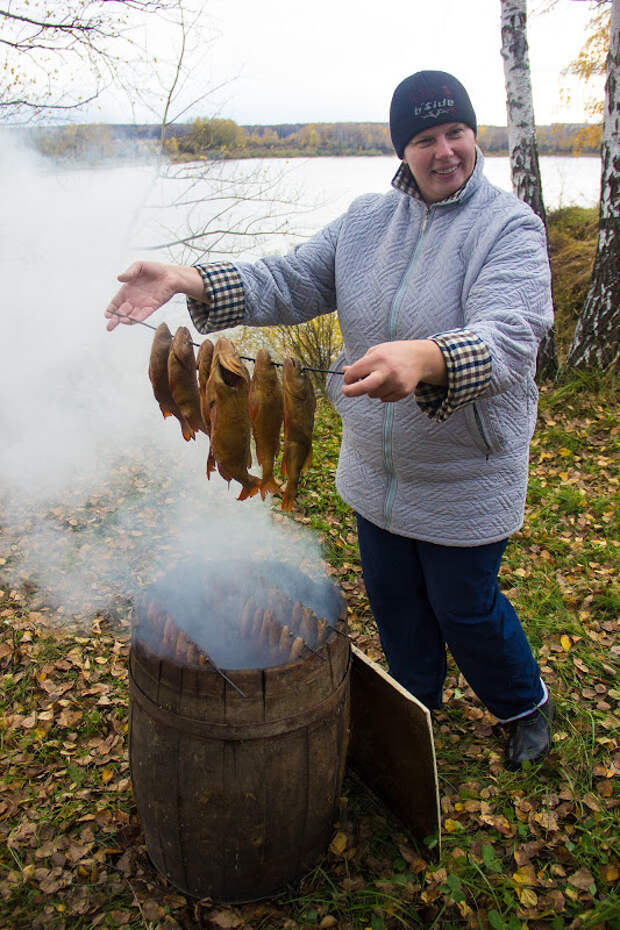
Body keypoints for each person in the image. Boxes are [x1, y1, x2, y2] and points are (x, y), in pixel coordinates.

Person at [106, 70, 554, 770]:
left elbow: (512, 334)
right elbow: (286, 279)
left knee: (464, 608)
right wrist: (184, 278)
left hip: (466, 472)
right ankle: (419, 707)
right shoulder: (365, 221)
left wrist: (431, 356)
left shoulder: (509, 229)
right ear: (401, 149)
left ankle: (524, 704)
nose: (444, 151)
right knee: (397, 604)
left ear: (475, 136)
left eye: (456, 133)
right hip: (374, 471)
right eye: (424, 138)